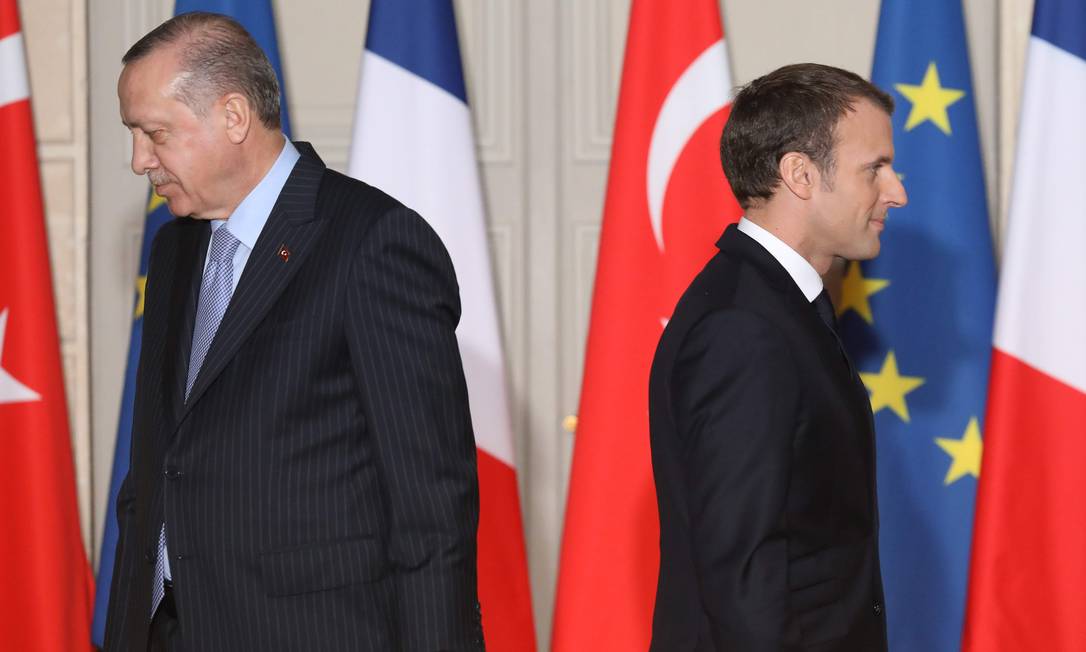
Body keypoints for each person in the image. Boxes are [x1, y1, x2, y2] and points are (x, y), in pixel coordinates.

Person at [104, 12, 483, 651]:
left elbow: (431, 511)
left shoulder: (372, 242)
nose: (139, 160)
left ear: (232, 116)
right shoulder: (173, 254)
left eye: (154, 133)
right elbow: (154, 478)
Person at [648, 63, 908, 651]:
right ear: (800, 174)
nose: (897, 191)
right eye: (875, 169)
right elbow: (744, 572)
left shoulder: (775, 303)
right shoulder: (745, 328)